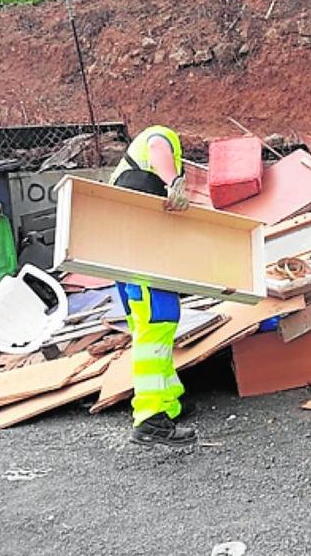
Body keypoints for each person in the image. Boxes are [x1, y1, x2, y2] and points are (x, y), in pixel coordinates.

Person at [110, 125, 196, 445]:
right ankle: (150, 418)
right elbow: (160, 147)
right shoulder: (161, 137)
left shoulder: (128, 171)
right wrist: (175, 182)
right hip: (141, 251)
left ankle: (168, 402)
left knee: (150, 329)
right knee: (158, 321)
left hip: (126, 252)